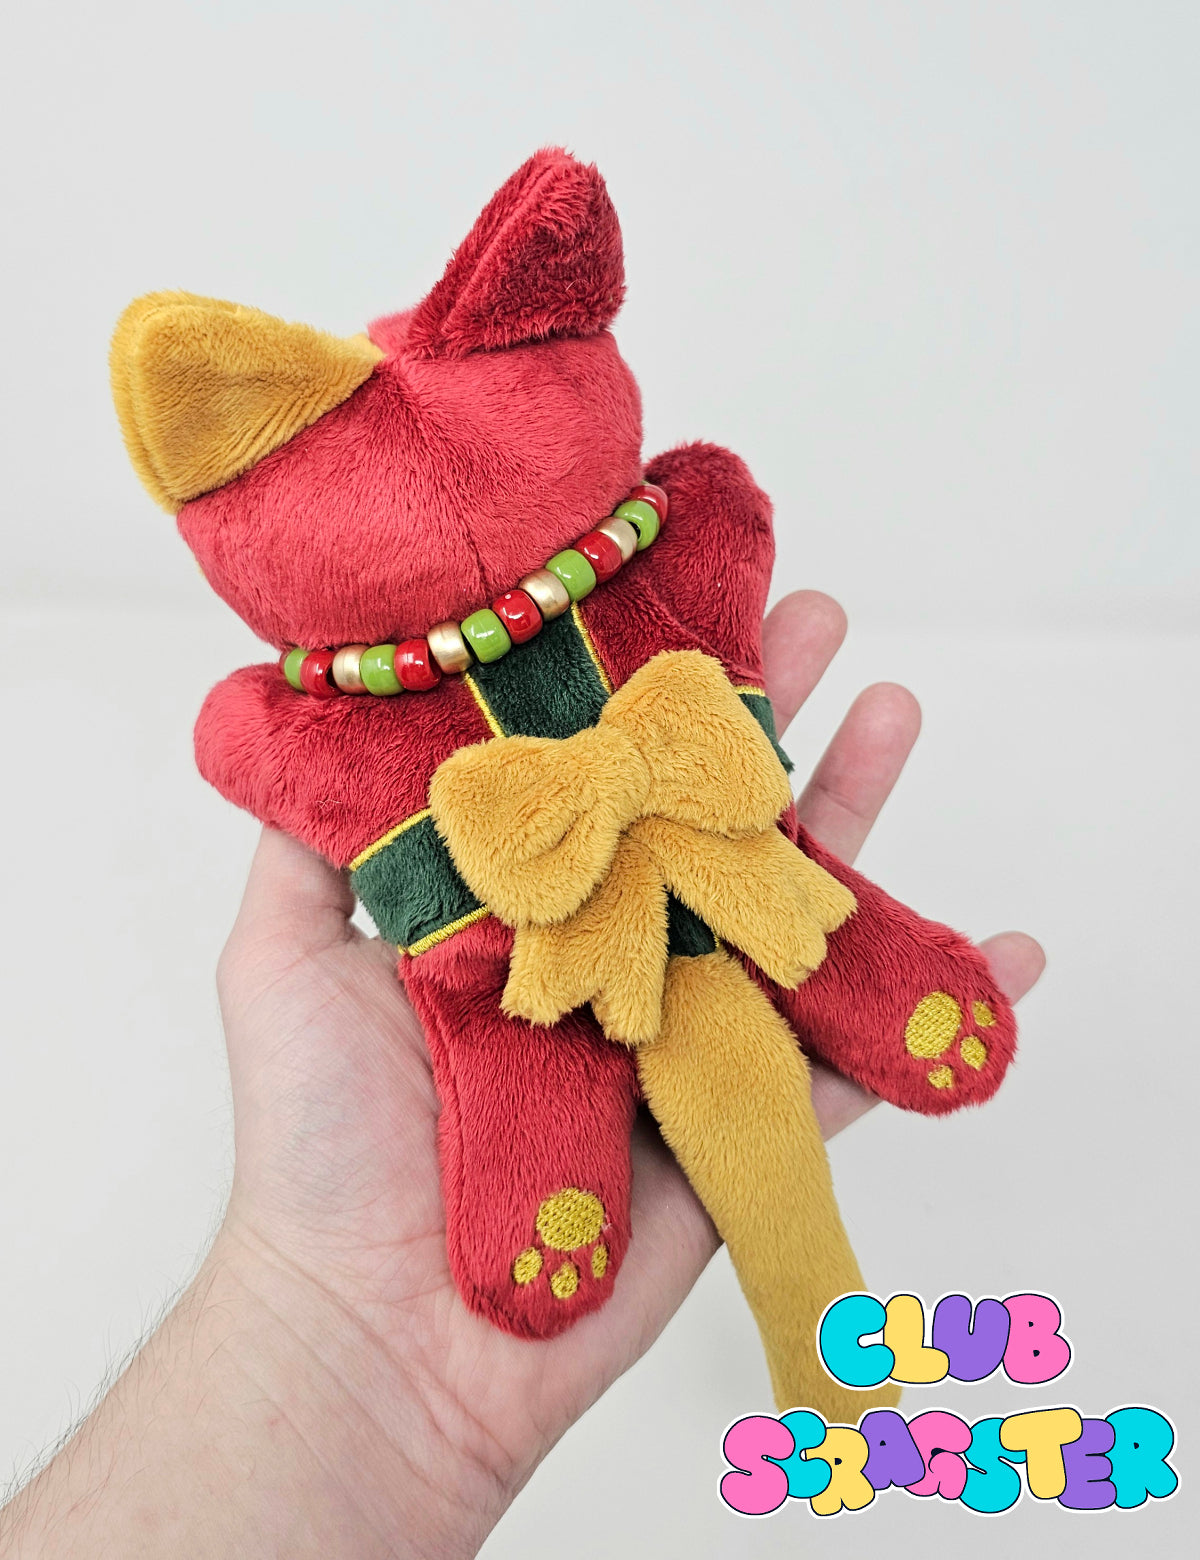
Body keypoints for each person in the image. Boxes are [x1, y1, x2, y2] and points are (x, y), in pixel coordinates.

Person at [0, 593, 1043, 1558]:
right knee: (535, 1064)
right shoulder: (364, 696)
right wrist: (321, 1321)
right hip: (521, 981)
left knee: (771, 997)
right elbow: (248, 736)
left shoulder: (610, 578)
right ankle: (674, 1260)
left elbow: (241, 732)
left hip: (711, 857)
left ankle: (827, 1340)